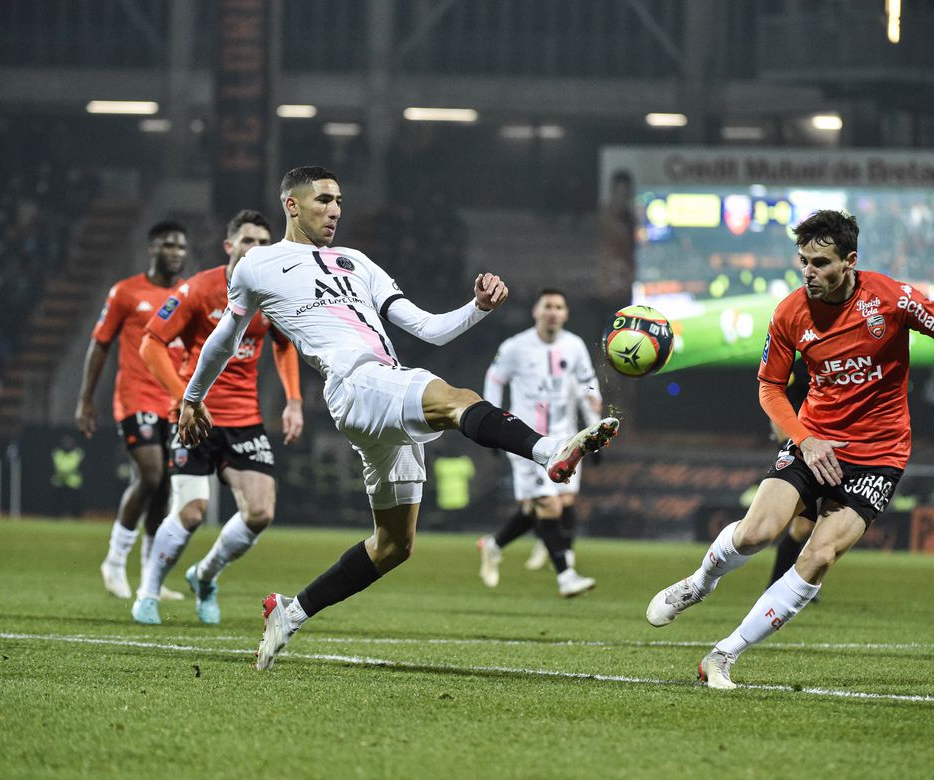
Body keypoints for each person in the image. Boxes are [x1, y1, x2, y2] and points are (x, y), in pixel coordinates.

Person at [176, 166, 620, 671]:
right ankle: (549, 450)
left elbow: (429, 329)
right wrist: (193, 397)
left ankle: (290, 612)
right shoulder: (258, 263)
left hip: (383, 384)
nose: (336, 210)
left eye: (340, 200)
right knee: (458, 398)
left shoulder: (358, 262)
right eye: (324, 200)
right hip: (354, 383)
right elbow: (224, 340)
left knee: (394, 545)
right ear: (292, 205)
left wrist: (475, 308)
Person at [645, 210, 934, 689]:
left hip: (880, 453)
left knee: (819, 557)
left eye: (820, 262)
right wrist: (806, 439)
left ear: (850, 261)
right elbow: (769, 387)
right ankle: (700, 583)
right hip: (814, 441)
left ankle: (723, 656)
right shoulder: (789, 313)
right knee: (757, 533)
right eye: (803, 260)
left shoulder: (892, 300)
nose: (808, 271)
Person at [132, 209, 305, 625]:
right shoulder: (200, 289)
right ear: (230, 247)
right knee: (191, 513)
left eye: (265, 243)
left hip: (245, 419)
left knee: (260, 513)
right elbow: (151, 344)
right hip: (196, 417)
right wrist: (185, 399)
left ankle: (204, 576)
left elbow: (284, 345)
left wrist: (294, 400)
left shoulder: (274, 293)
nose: (257, 250)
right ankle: (148, 592)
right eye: (249, 241)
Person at [77, 220, 189, 601]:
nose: (176, 252)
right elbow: (100, 344)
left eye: (181, 246)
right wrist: (85, 400)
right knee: (150, 473)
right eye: (168, 244)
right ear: (152, 248)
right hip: (135, 396)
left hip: (172, 402)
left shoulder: (187, 295)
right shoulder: (126, 292)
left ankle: (149, 581)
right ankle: (114, 560)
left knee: (165, 488)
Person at [478, 288, 602, 596]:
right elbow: (495, 379)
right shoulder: (515, 347)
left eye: (559, 306)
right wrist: (491, 425)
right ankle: (566, 575)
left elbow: (588, 383)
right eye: (547, 306)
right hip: (526, 440)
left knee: (551, 506)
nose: (553, 311)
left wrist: (593, 425)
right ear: (536, 311)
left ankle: (494, 546)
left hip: (565, 438)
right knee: (548, 504)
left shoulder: (574, 346)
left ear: (565, 314)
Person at [51, 434, 84, 519]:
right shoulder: (58, 453)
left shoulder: (77, 452)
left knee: (75, 503)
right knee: (58, 502)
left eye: (69, 443)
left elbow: (74, 465)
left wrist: (64, 472)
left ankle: (76, 518)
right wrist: (64, 472)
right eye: (66, 443)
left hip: (73, 483)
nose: (67, 445)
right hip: (60, 482)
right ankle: (56, 518)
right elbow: (58, 466)